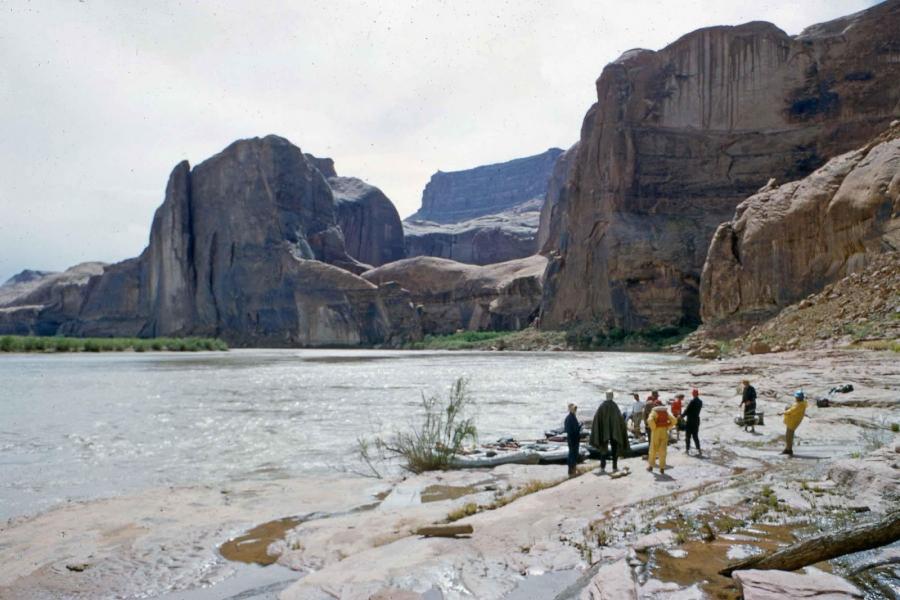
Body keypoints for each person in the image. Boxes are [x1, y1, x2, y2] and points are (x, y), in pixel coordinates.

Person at [590, 390, 630, 472]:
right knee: (614, 449)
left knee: (603, 448)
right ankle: (614, 467)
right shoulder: (615, 406)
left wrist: (598, 430)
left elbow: (596, 418)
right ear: (612, 396)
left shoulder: (602, 406)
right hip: (614, 432)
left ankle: (602, 467)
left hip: (604, 432)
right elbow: (620, 419)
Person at [647, 404, 675, 474]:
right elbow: (674, 420)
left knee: (653, 449)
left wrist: (653, 427)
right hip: (664, 432)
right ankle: (662, 468)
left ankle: (651, 466)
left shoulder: (654, 412)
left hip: (656, 432)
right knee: (663, 450)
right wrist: (668, 427)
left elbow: (650, 420)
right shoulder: (666, 412)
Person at [779, 391, 808, 456]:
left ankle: (789, 450)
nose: (796, 398)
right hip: (791, 420)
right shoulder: (801, 402)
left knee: (789, 435)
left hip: (794, 421)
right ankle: (787, 449)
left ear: (799, 397)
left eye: (797, 397)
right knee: (788, 435)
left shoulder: (800, 405)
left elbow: (792, 410)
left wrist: (783, 412)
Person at [683, 388, 703, 456]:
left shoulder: (692, 401)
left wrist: (681, 416)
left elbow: (687, 410)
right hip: (696, 420)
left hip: (690, 421)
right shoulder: (700, 402)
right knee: (695, 436)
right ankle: (699, 450)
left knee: (687, 436)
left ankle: (687, 450)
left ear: (693, 394)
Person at [564, 403, 582, 476]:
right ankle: (571, 471)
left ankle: (573, 470)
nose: (575, 410)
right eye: (574, 409)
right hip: (572, 439)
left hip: (574, 438)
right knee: (572, 455)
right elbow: (569, 430)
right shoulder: (569, 418)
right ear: (570, 409)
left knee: (574, 454)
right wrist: (578, 427)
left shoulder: (573, 417)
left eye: (575, 409)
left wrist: (579, 426)